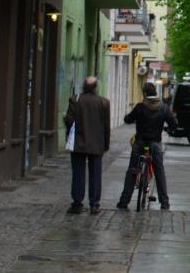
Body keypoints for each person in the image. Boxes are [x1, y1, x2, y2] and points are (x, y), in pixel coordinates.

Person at [117, 82, 178, 210]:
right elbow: (174, 124)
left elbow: (128, 119)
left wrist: (128, 117)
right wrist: (169, 129)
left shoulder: (140, 107)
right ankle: (164, 202)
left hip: (140, 142)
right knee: (159, 170)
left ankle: (124, 201)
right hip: (155, 143)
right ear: (155, 92)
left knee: (132, 170)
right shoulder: (163, 107)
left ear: (144, 93)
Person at [63, 76, 111, 214]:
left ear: (84, 86)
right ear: (96, 87)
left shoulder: (75, 100)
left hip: (78, 143)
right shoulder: (104, 102)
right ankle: (94, 204)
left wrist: (71, 133)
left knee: (78, 174)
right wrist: (105, 145)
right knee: (95, 175)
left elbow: (69, 120)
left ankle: (77, 204)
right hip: (97, 144)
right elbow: (106, 126)